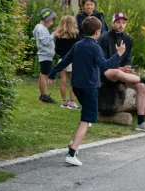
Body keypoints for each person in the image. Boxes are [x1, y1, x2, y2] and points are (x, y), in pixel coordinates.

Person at [49, 16, 125, 166]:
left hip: (77, 87)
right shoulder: (95, 47)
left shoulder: (78, 45)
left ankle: (73, 143)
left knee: (86, 116)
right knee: (87, 119)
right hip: (90, 87)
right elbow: (104, 66)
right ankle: (72, 153)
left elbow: (65, 60)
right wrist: (119, 54)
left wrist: (52, 73)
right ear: (98, 32)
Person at [100, 12, 145, 132]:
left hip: (123, 75)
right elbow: (103, 63)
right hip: (106, 74)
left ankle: (141, 122)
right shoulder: (104, 38)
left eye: (123, 22)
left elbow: (127, 59)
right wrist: (119, 69)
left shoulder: (128, 39)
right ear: (113, 23)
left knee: (141, 87)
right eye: (118, 22)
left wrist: (127, 67)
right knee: (117, 72)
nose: (121, 25)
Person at [53, 15, 81, 110]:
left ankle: (64, 101)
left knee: (63, 80)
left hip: (62, 59)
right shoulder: (75, 35)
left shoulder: (58, 35)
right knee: (73, 81)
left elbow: (57, 49)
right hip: (73, 60)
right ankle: (72, 102)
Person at [34, 8, 58, 104]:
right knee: (44, 75)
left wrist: (51, 33)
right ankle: (44, 96)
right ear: (47, 19)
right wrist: (53, 34)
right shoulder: (41, 29)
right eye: (51, 21)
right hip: (45, 55)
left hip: (44, 55)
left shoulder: (39, 28)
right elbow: (45, 42)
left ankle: (42, 95)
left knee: (42, 74)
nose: (52, 23)